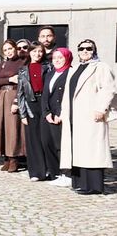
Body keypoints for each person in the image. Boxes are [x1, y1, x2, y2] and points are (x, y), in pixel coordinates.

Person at [60, 39, 116, 195]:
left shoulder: (101, 67)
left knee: (92, 150)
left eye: (88, 49)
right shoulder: (75, 68)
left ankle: (94, 186)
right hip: (74, 115)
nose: (85, 51)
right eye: (81, 48)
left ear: (94, 50)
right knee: (78, 149)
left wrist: (101, 108)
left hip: (91, 114)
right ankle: (80, 182)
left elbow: (108, 89)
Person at [16, 43, 47, 181]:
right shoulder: (23, 70)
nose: (37, 54)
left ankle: (49, 169)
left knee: (46, 138)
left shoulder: (48, 67)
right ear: (29, 53)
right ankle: (36, 172)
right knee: (33, 139)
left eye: (40, 51)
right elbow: (20, 93)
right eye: (34, 51)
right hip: (31, 104)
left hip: (45, 104)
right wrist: (22, 114)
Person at [0, 39, 25, 173]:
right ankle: (5, 156)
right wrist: (9, 79)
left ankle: (14, 158)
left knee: (12, 128)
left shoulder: (22, 62)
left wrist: (16, 101)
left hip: (13, 94)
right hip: (2, 96)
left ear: (15, 49)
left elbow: (21, 83)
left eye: (10, 49)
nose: (8, 52)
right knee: (2, 127)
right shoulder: (3, 64)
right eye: (5, 50)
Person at [43, 48, 72, 186]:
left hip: (61, 114)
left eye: (60, 57)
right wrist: (46, 112)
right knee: (48, 143)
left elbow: (68, 96)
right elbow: (45, 94)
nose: (57, 60)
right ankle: (55, 173)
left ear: (67, 58)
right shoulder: (50, 73)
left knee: (61, 145)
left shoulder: (70, 73)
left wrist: (61, 113)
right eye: (55, 58)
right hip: (49, 114)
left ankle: (66, 174)